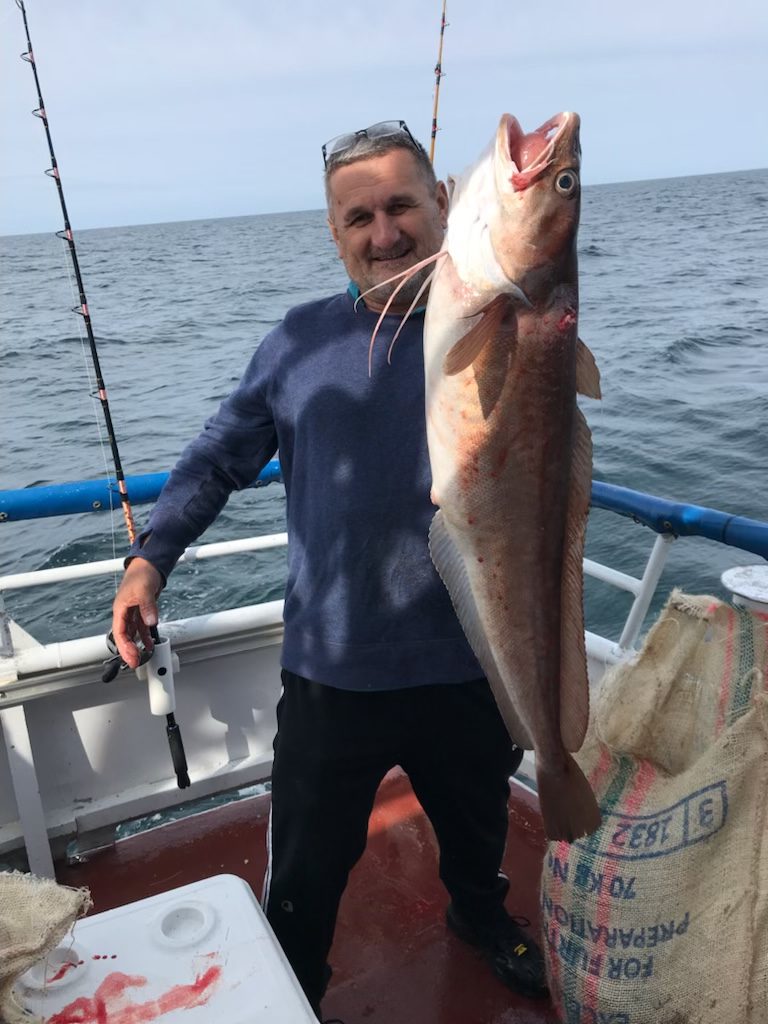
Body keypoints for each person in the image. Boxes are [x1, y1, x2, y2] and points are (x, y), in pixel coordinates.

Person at [111, 119, 548, 1017]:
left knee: (478, 827)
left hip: (469, 661)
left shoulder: (504, 326)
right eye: (358, 217)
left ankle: (480, 915)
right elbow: (216, 458)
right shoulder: (298, 342)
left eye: (400, 206)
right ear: (333, 233)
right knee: (305, 869)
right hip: (332, 674)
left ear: (445, 204)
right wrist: (149, 559)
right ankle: (293, 982)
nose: (383, 234)